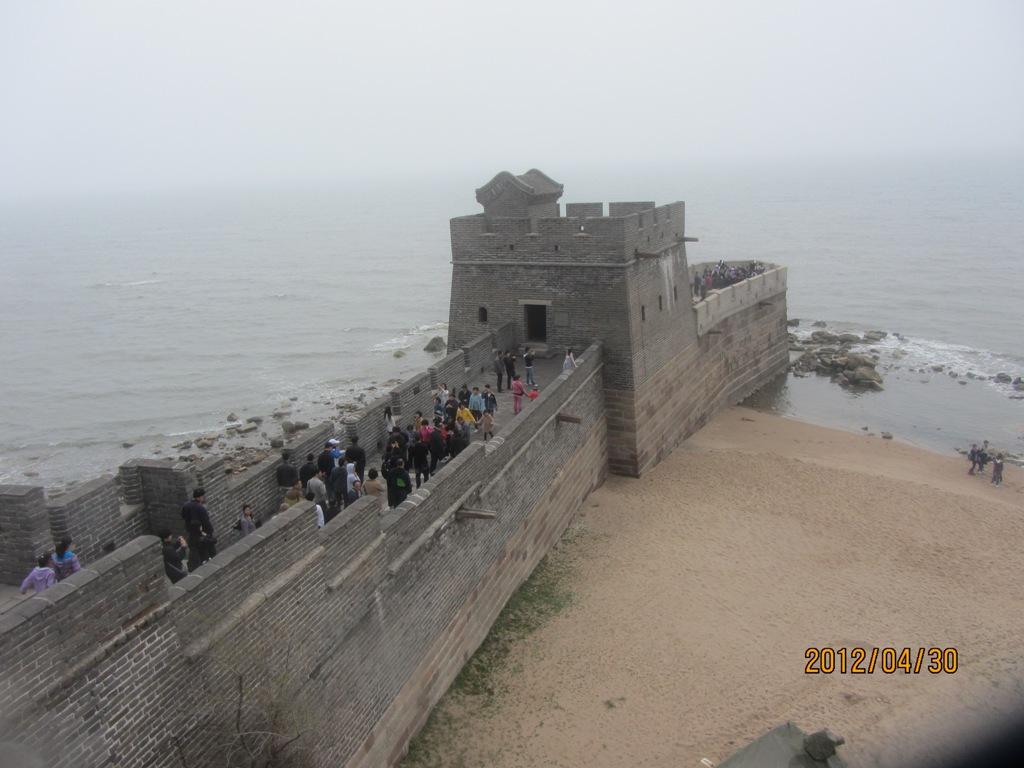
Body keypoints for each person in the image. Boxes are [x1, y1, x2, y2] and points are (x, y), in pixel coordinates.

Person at [181, 488, 216, 568]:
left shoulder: (186, 505)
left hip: (191, 533)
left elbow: (183, 516)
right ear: (200, 497)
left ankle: (195, 565)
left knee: (194, 551)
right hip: (202, 534)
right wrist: (209, 532)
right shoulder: (200, 508)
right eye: (202, 496)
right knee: (207, 552)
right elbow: (206, 522)